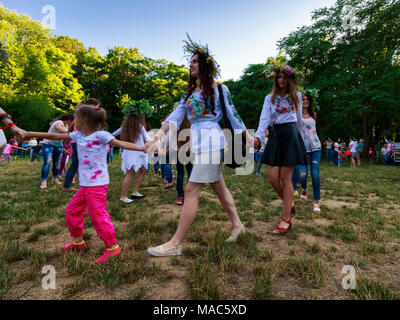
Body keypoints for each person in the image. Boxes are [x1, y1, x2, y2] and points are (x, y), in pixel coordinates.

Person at [147, 37, 246, 257]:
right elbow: (174, 116)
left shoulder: (220, 89)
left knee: (191, 190)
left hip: (213, 143)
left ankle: (175, 243)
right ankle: (238, 225)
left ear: (204, 65)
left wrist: (247, 136)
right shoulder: (189, 95)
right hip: (199, 144)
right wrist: (159, 135)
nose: (190, 65)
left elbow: (233, 115)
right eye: (190, 61)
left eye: (193, 61)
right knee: (219, 188)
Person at [23, 104, 150, 264]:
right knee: (72, 210)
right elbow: (55, 137)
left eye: (77, 118)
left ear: (85, 121)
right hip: (86, 185)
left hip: (97, 184)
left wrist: (142, 148)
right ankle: (79, 243)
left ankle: (113, 248)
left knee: (98, 215)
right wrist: (28, 134)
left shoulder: (101, 135)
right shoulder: (79, 136)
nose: (73, 122)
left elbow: (120, 144)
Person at [253, 64, 308, 235]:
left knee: (286, 178)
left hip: (291, 134)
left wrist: (300, 140)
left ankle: (286, 220)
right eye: (279, 77)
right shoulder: (269, 98)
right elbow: (264, 119)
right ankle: (289, 201)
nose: (281, 80)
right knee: (272, 178)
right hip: (275, 135)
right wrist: (258, 137)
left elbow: (299, 121)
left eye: (284, 77)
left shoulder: (296, 96)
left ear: (290, 79)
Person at [112, 100, 152, 203]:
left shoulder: (124, 127)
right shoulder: (140, 126)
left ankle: (135, 192)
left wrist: (117, 142)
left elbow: (112, 135)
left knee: (142, 170)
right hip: (137, 151)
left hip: (132, 151)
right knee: (131, 173)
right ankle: (123, 196)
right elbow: (147, 139)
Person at [291, 91, 322, 213]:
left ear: (310, 102)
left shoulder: (314, 114)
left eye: (307, 99)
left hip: (315, 147)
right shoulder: (296, 116)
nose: (305, 101)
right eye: (303, 99)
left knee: (315, 174)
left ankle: (316, 202)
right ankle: (304, 187)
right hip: (301, 148)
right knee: (302, 175)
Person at [63, 98, 100, 192]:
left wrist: (70, 138)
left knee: (77, 164)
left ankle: (71, 184)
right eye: (97, 106)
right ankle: (70, 185)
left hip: (75, 142)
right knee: (79, 164)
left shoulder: (78, 117)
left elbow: (69, 130)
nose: (98, 108)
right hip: (82, 143)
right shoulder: (87, 117)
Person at [40, 114, 74, 189]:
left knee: (57, 163)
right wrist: (71, 132)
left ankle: (55, 178)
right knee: (48, 162)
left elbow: (66, 138)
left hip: (58, 146)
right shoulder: (59, 122)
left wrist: (66, 148)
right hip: (48, 144)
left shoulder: (67, 126)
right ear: (69, 120)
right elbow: (59, 128)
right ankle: (43, 181)